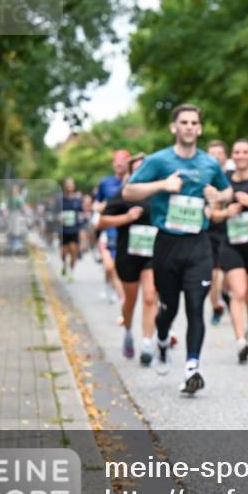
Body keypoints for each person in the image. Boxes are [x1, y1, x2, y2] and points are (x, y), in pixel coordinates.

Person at [123, 104, 232, 394]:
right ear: (174, 127)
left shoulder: (209, 163)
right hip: (167, 243)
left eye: (194, 122)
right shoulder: (159, 160)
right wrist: (162, 185)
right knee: (168, 309)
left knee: (195, 305)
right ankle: (161, 340)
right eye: (183, 122)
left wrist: (217, 195)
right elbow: (129, 191)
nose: (189, 127)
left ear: (200, 128)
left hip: (198, 243)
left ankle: (191, 368)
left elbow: (227, 191)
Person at [97, 153, 158, 365]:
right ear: (131, 173)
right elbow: (102, 221)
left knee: (150, 296)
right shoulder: (124, 194)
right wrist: (127, 217)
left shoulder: (158, 194)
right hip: (128, 255)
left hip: (152, 254)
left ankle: (147, 343)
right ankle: (128, 331)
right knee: (130, 301)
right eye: (137, 169)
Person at [210, 139, 248, 363]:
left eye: (245, 152)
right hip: (231, 244)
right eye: (237, 152)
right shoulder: (224, 182)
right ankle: (240, 340)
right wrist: (227, 212)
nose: (241, 156)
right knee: (239, 292)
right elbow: (213, 214)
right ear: (232, 156)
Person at [94, 151, 130, 304]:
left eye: (122, 160)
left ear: (129, 163)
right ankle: (119, 295)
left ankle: (113, 288)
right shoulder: (105, 182)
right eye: (116, 161)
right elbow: (96, 203)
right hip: (109, 230)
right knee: (110, 267)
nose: (119, 163)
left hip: (127, 230)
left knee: (119, 266)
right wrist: (100, 207)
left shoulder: (135, 181)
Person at [205, 140, 231, 326]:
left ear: (225, 156)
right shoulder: (203, 179)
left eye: (219, 153)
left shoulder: (231, 178)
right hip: (209, 233)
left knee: (227, 278)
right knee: (213, 276)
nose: (215, 157)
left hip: (231, 232)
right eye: (211, 154)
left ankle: (226, 297)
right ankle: (216, 307)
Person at [59, 178, 83, 280]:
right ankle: (64, 265)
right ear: (65, 186)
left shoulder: (78, 200)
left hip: (74, 229)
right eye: (67, 185)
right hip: (63, 230)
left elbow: (82, 213)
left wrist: (81, 219)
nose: (69, 186)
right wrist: (58, 217)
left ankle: (71, 272)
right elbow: (55, 212)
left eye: (71, 184)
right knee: (63, 253)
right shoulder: (60, 200)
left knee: (73, 251)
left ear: (74, 186)